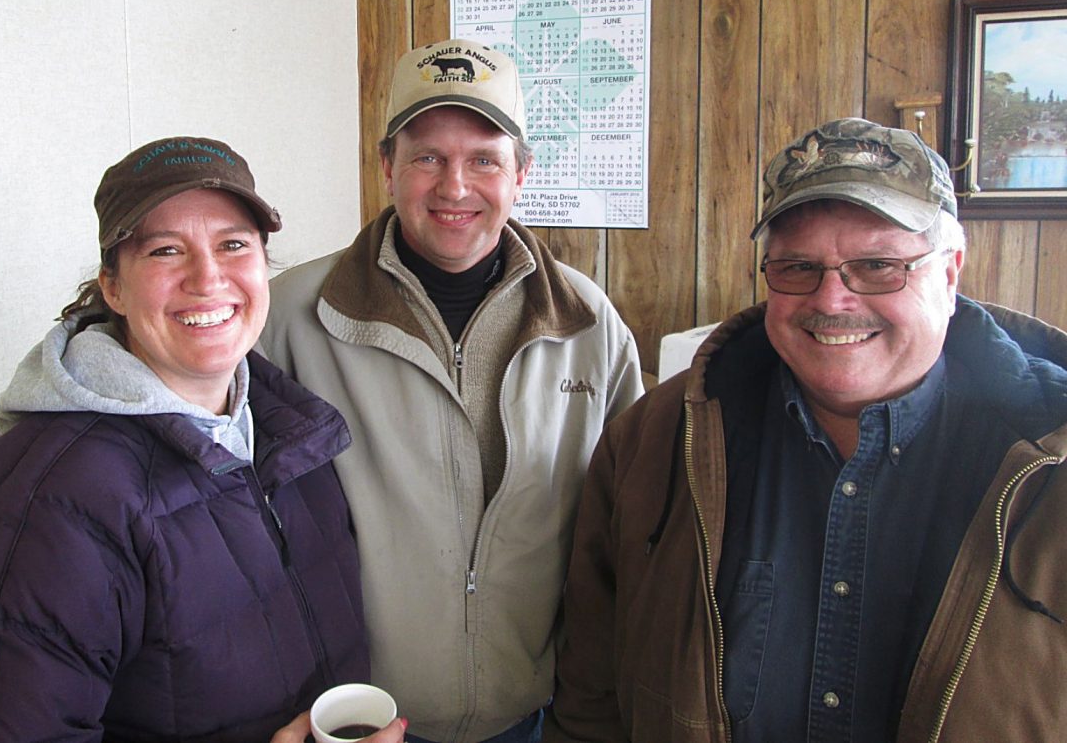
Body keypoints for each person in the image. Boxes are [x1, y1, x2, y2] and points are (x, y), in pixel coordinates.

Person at [544, 117, 1067, 743]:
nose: (833, 299)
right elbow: (591, 697)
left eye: (877, 265)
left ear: (950, 274)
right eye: (797, 267)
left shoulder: (1049, 462)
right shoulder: (652, 442)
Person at [0, 137, 405, 743]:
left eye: (233, 244)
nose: (207, 278)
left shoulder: (287, 432)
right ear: (112, 286)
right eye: (166, 250)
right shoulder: (41, 505)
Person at [260, 39, 645, 743]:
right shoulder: (288, 316)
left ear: (523, 173)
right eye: (428, 156)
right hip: (355, 719)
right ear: (388, 167)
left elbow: (628, 527)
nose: (455, 187)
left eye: (485, 159)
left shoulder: (590, 325)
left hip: (535, 715)